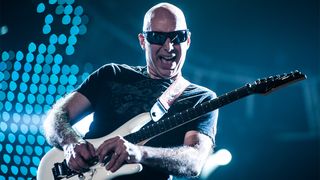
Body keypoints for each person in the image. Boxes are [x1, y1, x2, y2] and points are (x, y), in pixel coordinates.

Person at [43, 2, 218, 180]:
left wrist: (139, 153)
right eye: (157, 37)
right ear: (142, 41)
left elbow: (194, 161)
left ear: (188, 40)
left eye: (177, 37)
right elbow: (56, 116)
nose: (169, 47)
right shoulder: (111, 74)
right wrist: (71, 143)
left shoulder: (202, 99)